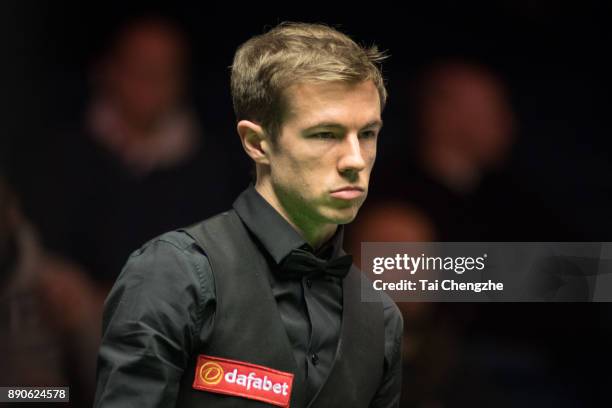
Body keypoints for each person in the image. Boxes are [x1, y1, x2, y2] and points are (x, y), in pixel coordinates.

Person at [94, 22, 403, 407]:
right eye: (325, 134)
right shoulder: (174, 274)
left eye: (368, 134)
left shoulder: (381, 319)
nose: (355, 160)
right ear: (257, 143)